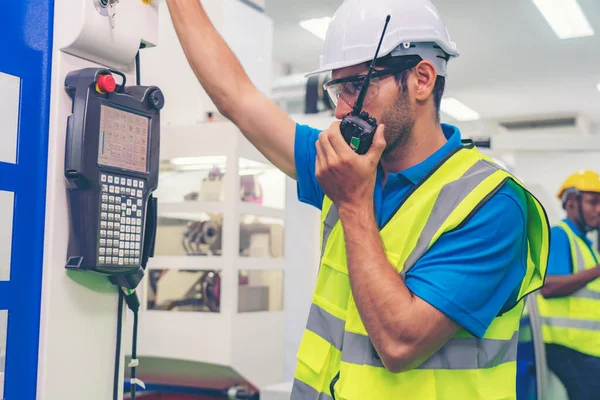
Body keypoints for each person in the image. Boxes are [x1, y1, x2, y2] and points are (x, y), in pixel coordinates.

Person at [165, 0, 550, 398]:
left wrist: (352, 202)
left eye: (355, 87)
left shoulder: (492, 204)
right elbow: (237, 97)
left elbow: (400, 343)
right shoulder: (351, 166)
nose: (341, 110)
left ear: (421, 79)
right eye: (337, 88)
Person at [537, 170, 600, 400]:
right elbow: (548, 287)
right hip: (566, 348)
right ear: (571, 203)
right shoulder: (560, 235)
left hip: (586, 350)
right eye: (593, 202)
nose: (599, 209)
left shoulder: (587, 246)